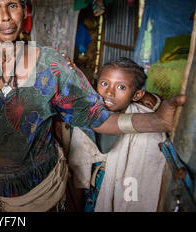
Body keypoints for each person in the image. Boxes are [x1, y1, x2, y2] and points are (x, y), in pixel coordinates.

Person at [0, 0, 186, 212]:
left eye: (12, 5)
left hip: (40, 194)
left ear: (24, 10)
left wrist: (157, 120)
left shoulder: (52, 65)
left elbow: (97, 119)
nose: (5, 17)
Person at [69, 57, 168, 212]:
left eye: (121, 87)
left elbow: (145, 178)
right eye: (104, 83)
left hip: (123, 196)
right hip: (91, 196)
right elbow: (78, 173)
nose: (109, 91)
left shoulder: (148, 122)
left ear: (137, 95)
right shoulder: (88, 116)